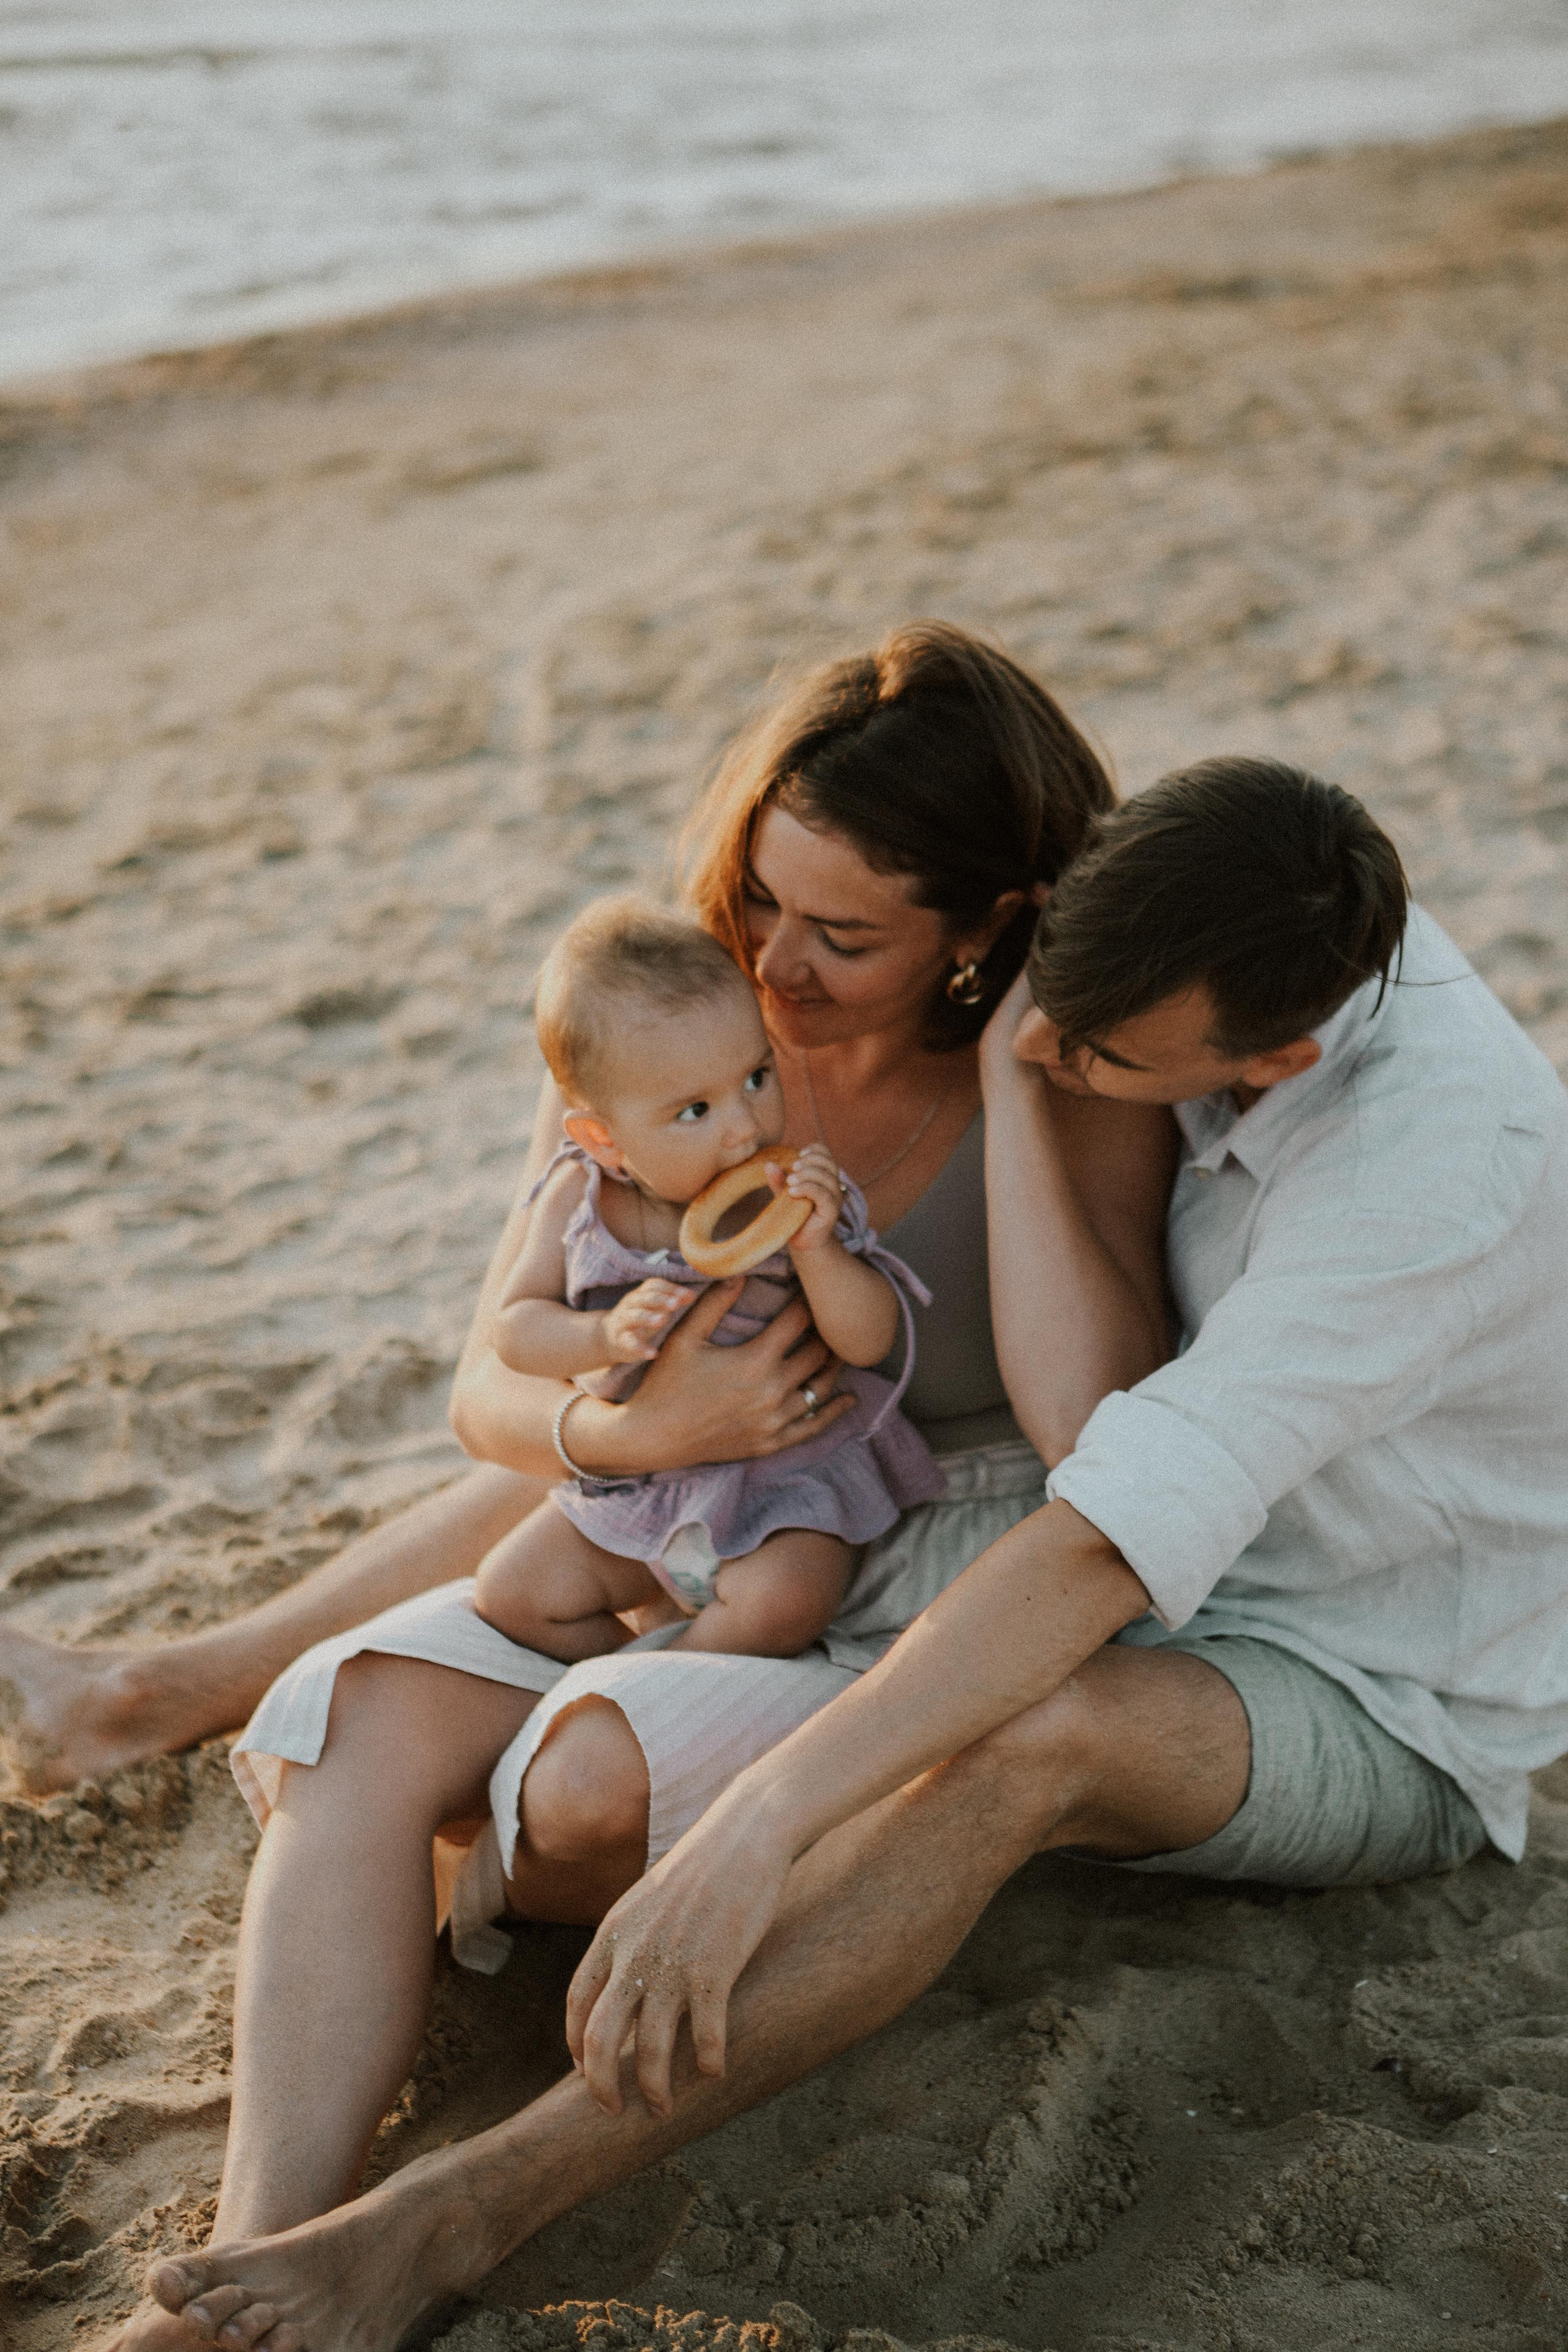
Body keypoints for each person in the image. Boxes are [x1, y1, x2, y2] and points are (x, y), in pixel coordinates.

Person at [134, 755, 1568, 2352]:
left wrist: (768, 1824)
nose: (1047, 1053)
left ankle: (451, 2217)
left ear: (1279, 1058)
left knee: (1030, 1732)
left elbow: (1098, 1542)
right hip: (1129, 1538)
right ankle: (245, 2254)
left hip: (1364, 1671)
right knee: (452, 1663)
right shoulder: (1222, 900)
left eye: (1097, 1054)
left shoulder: (1432, 1171)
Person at [68, 622, 1174, 2352]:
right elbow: (485, 1390)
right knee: (355, 1717)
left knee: (571, 1800)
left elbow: (1093, 1418)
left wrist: (1023, 1092)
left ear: (989, 928)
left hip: (900, 1566)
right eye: (762, 896)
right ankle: (246, 2275)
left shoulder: (1061, 1080)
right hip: (650, 1511)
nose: (779, 973)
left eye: (847, 936)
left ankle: (484, 1890)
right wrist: (638, 1437)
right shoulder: (660, 1019)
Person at [472, 893, 943, 1660]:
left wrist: (822, 1250)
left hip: (785, 1484)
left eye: (756, 1077)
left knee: (784, 1600)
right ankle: (628, 1672)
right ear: (604, 1138)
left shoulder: (786, 1198)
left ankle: (682, 1680)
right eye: (694, 1110)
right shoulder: (577, 1196)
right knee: (514, 1592)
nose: (743, 1127)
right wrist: (599, 1333)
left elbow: (869, 1338)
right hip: (642, 1491)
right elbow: (515, 1330)